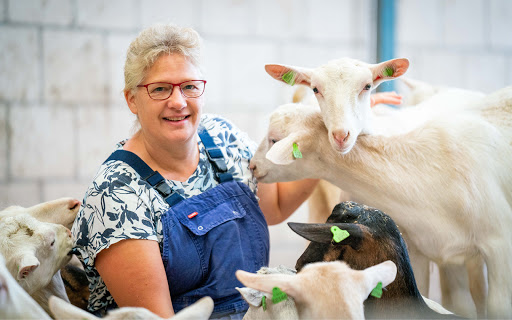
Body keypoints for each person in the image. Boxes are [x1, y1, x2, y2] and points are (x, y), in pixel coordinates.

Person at [71, 23, 403, 319]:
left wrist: (338, 128)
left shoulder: (221, 137)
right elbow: (158, 318)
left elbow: (272, 208)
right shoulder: (115, 194)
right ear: (132, 99)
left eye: (189, 86)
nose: (178, 101)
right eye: (160, 89)